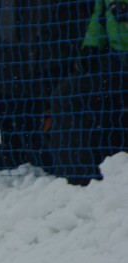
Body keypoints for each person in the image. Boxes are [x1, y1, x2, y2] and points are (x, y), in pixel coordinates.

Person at [48, 0, 127, 185]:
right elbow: (98, 16)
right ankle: (77, 177)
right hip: (116, 58)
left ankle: (82, 178)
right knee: (67, 94)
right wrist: (90, 46)